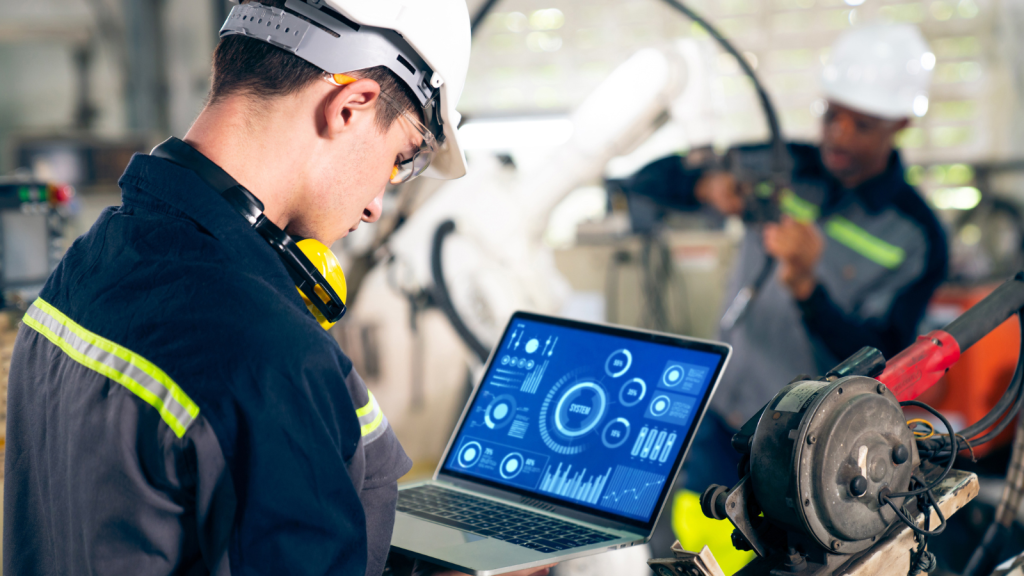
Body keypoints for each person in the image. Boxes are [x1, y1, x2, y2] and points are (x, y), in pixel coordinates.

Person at [3, 1, 553, 575]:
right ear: (351, 106)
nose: (373, 205)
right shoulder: (268, 357)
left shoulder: (89, 266)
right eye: (399, 160)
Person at [625, 23, 949, 562]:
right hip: (718, 414)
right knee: (669, 547)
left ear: (900, 123)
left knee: (773, 563)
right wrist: (708, 184)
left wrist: (806, 287)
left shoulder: (918, 236)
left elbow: (886, 363)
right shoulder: (782, 165)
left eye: (861, 124)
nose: (839, 136)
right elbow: (645, 182)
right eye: (831, 115)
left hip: (808, 455)